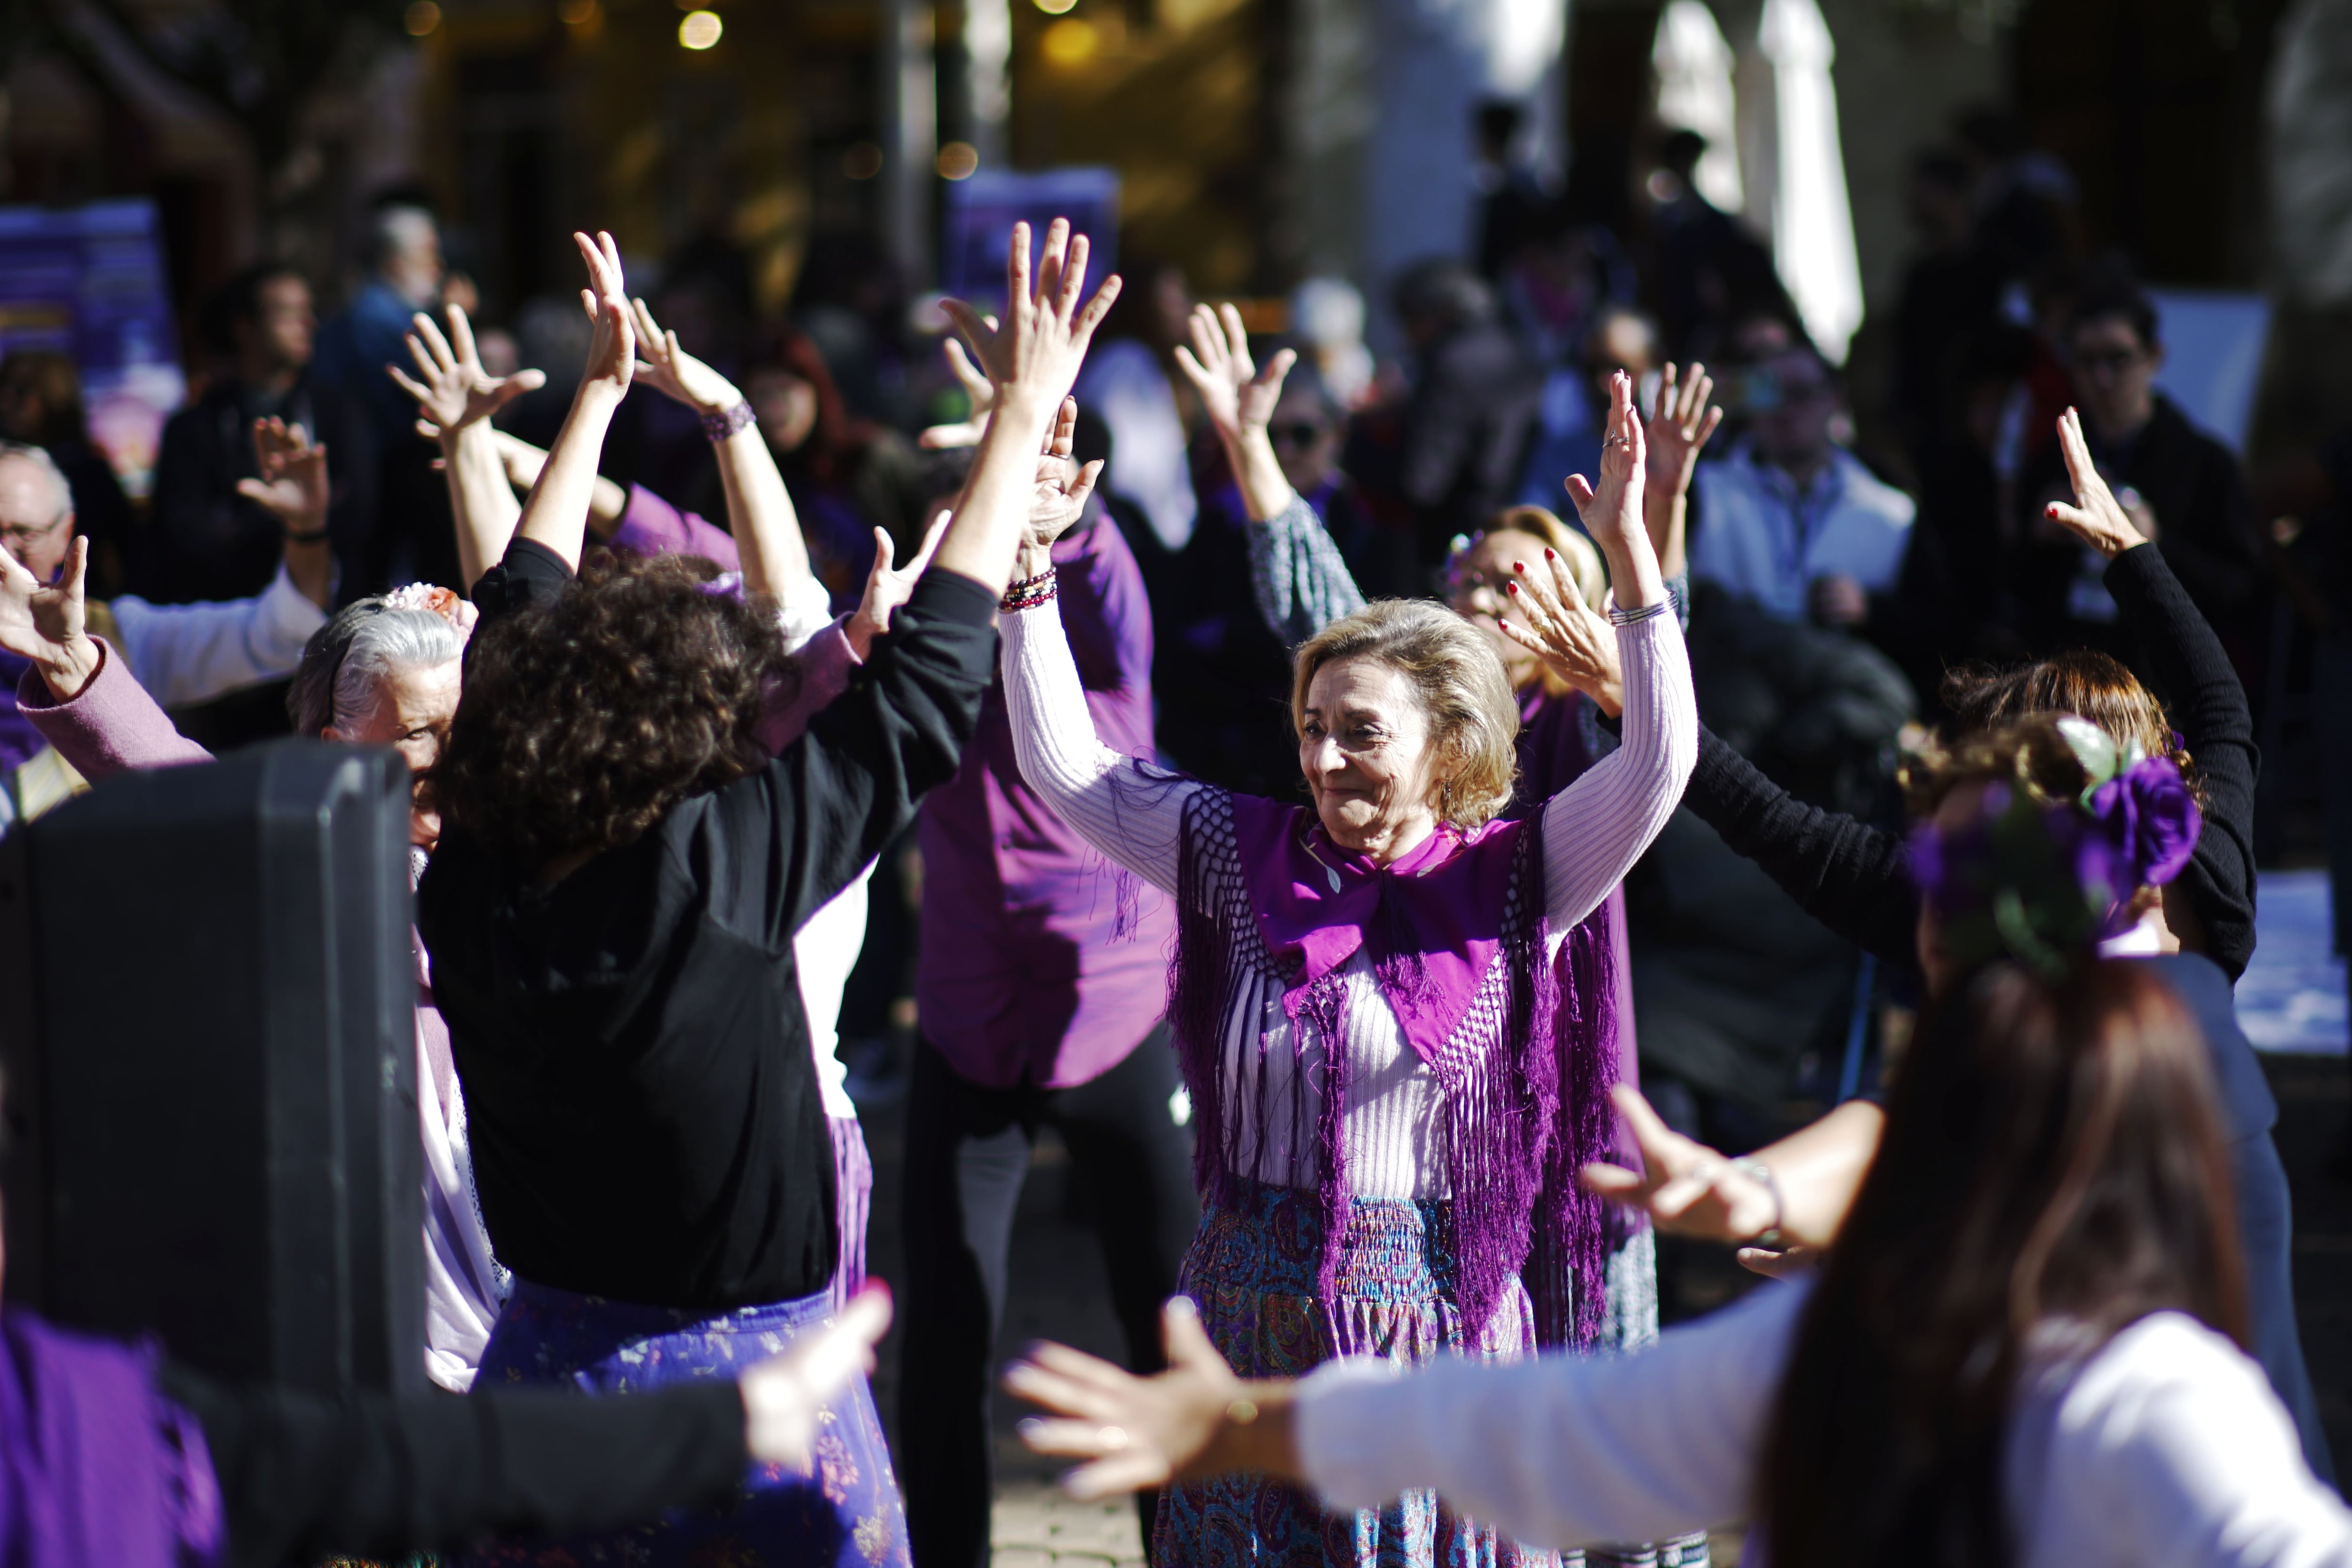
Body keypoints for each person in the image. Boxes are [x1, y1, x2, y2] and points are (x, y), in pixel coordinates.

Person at [1000, 734, 2352, 1568]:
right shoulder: (1847, 1347)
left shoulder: (2142, 1399)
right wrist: (1238, 1421)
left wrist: (1239, 1425)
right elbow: (1553, 1428)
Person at [414, 221, 1116, 1565]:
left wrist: (600, 400)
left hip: (541, 1395)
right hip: (754, 1415)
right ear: (684, 735)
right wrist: (1021, 416)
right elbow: (924, 689)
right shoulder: (716, 871)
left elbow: (507, 622)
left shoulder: (470, 881)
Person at [1000, 357, 1697, 1566]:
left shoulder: (1523, 875)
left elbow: (1658, 765)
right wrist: (1022, 585)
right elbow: (1068, 767)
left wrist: (1634, 564)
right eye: (1312, 728)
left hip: (1434, 1328)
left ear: (1450, 743)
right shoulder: (1233, 847)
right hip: (1244, 1308)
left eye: (1361, 732)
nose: (1325, 758)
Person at [1590, 407, 2330, 1483]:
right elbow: (1778, 829)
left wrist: (1791, 1196)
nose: (1941, 917)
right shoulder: (2000, 908)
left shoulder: (2173, 989)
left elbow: (1927, 1125)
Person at [0, 1115, 899, 1568]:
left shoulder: (62, 1416)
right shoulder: (52, 1425)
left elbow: (378, 1463)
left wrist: (729, 1422)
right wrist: (735, 1421)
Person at [895, 376, 1190, 1568]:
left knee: (1164, 1325)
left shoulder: (1105, 644)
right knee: (944, 1339)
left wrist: (1067, 521)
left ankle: (1184, 1550)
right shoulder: (937, 645)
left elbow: (1111, 584)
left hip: (1121, 1011)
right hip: (972, 1020)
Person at [0, 436, 331, 829]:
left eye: (25, 534)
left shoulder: (113, 638)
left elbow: (283, 632)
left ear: (64, 533)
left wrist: (307, 530)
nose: (4, 552)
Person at [2009, 278, 2265, 674]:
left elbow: (2243, 593)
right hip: (2064, 673)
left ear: (2154, 356)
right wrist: (2039, 539)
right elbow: (2011, 587)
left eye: (2118, 358)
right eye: (2086, 361)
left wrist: (2154, 544)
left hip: (2164, 680)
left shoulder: (2205, 463)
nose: (2102, 378)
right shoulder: (2051, 457)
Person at [147, 262, 372, 607]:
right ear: (245, 328)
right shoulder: (196, 427)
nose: (307, 325)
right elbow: (182, 533)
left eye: (308, 311)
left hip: (327, 611)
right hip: (224, 615)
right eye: (287, 314)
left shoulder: (337, 413)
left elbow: (361, 515)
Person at [1685, 341, 1915, 628]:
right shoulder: (1701, 490)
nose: (1786, 410)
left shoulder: (1894, 511)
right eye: (1769, 395)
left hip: (1843, 663)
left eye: (1802, 394)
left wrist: (1870, 609)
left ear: (1835, 401)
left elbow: (1935, 622)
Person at [312, 195, 455, 590]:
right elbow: (423, 407)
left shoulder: (359, 315)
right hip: (386, 494)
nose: (438, 268)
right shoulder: (386, 322)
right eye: (428, 256)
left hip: (360, 494)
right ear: (395, 262)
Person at [1382, 259, 1543, 565]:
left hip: (1456, 545)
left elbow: (1422, 482)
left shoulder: (1449, 364)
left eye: (1411, 322)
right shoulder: (1517, 350)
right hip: (1517, 527)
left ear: (1439, 315)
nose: (1407, 337)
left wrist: (1369, 436)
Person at [0, 349, 134, 598]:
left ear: (55, 397)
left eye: (20, 392)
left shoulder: (88, 473)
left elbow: (129, 552)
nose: (5, 402)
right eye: (2, 388)